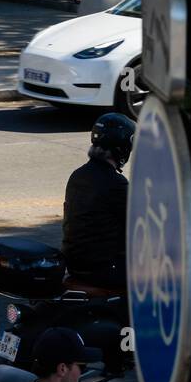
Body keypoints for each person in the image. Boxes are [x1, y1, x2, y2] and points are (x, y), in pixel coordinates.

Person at [61, 112, 135, 290]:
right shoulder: (115, 183)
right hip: (103, 268)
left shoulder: (78, 175)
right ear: (122, 148)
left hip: (75, 263)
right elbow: (140, 222)